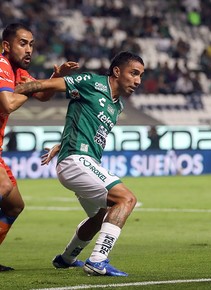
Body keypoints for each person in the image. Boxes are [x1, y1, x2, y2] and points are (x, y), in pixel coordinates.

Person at [16, 51, 145, 276]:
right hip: (76, 161)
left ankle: (66, 258)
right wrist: (10, 92)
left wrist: (60, 144)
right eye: (134, 73)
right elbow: (43, 86)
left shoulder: (118, 106)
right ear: (117, 71)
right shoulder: (91, 82)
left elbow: (82, 123)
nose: (138, 81)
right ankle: (97, 260)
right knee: (127, 199)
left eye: (140, 76)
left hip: (79, 160)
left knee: (99, 218)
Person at [0, 22, 79, 271]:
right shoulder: (1, 64)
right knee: (2, 186)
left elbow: (43, 95)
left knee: (14, 205)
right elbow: (8, 104)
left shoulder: (19, 72)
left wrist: (55, 78)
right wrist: (29, 87)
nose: (29, 49)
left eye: (31, 44)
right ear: (6, 46)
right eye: (22, 43)